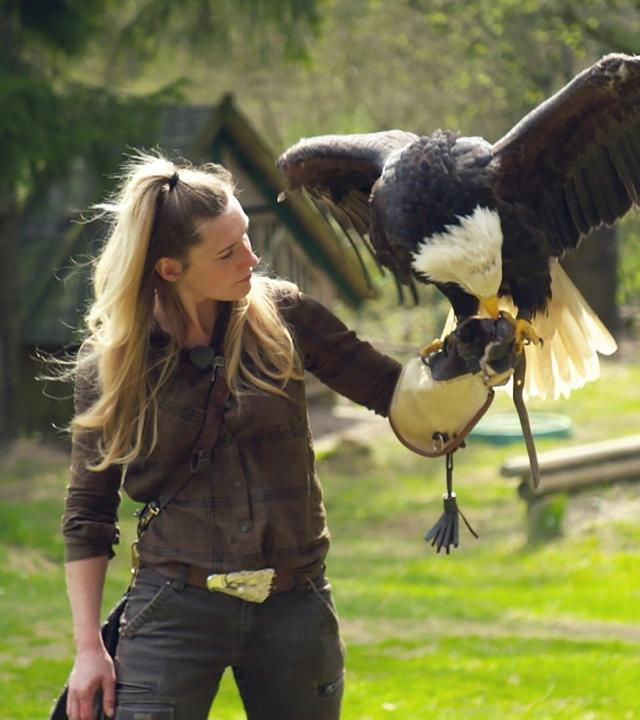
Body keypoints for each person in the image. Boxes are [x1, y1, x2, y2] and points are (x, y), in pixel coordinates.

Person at [61, 152, 516, 720]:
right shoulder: (114, 364)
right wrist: (88, 650)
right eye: (227, 253)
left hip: (294, 606)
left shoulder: (285, 314)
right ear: (169, 269)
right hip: (175, 607)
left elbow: (393, 393)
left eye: (246, 237)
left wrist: (465, 365)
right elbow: (89, 514)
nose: (252, 259)